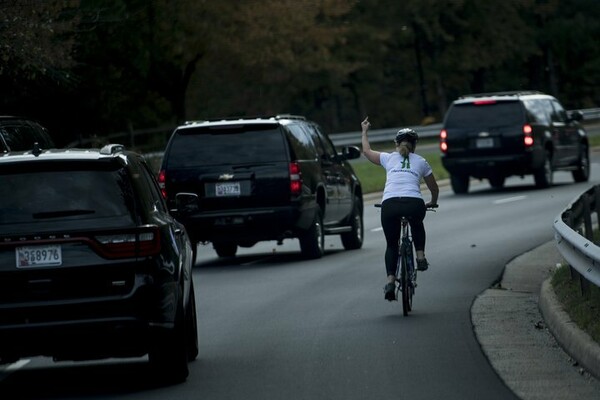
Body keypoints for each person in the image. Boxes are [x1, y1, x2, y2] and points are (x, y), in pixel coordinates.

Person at [361, 116, 439, 301]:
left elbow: (366, 151)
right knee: (417, 222)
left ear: (396, 144)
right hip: (414, 203)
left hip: (390, 205)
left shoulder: (388, 158)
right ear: (415, 145)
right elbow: (433, 187)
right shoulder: (421, 161)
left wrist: (364, 131)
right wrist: (433, 201)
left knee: (391, 244)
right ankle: (420, 256)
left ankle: (390, 281)